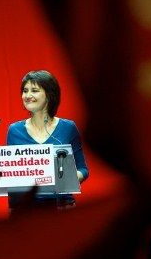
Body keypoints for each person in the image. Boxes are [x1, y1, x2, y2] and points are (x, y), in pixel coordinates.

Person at [6, 70, 89, 210]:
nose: (28, 95)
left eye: (34, 90)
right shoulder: (14, 131)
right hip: (26, 211)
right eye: (25, 91)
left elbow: (83, 169)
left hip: (62, 207)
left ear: (49, 95)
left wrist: (65, 180)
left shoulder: (68, 128)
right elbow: (12, 174)